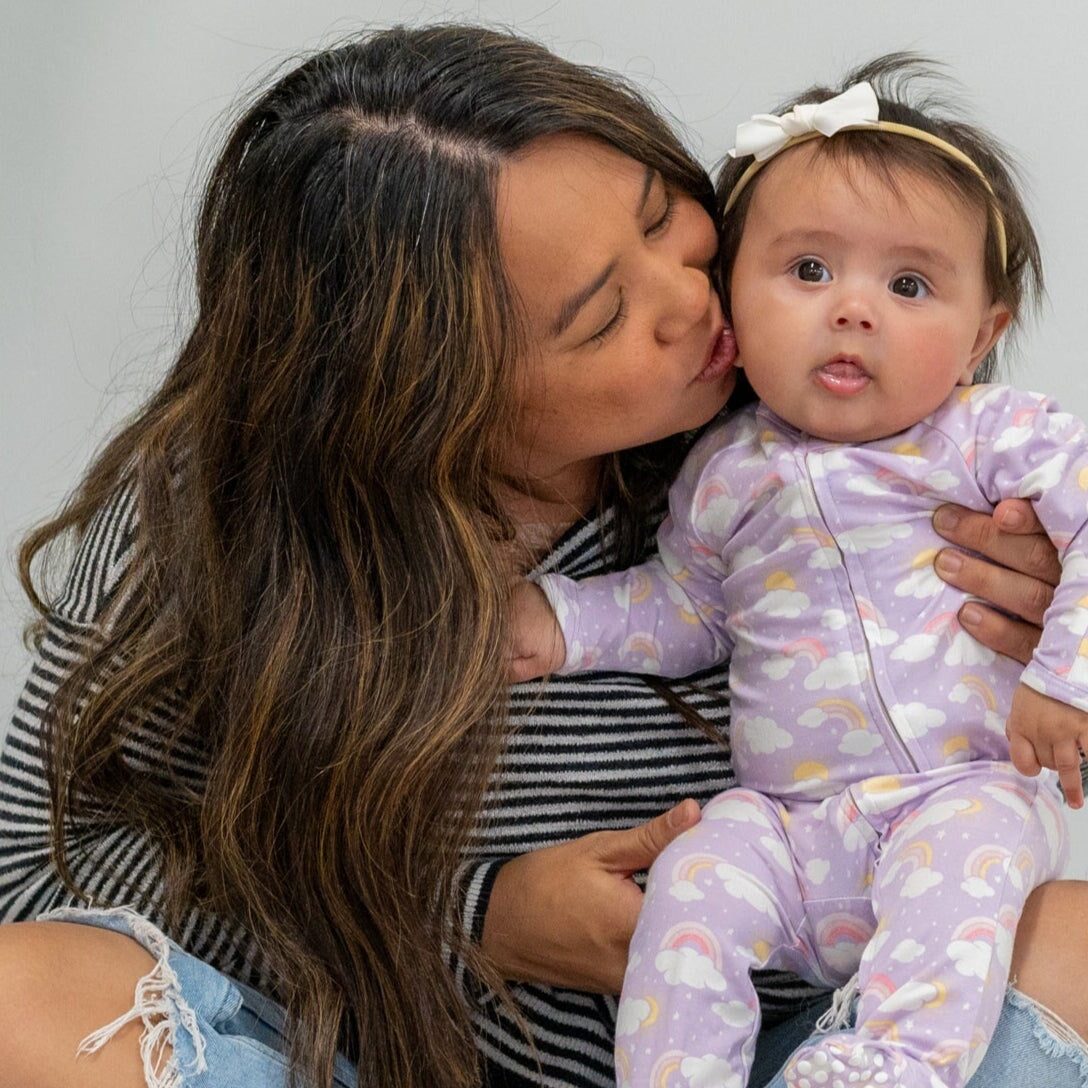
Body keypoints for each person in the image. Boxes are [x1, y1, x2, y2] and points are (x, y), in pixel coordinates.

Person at [0, 25, 1084, 1088]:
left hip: (788, 1032)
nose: (691, 301)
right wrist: (472, 919)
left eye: (668, 221)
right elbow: (40, 865)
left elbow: (972, 808)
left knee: (1067, 937)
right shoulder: (214, 516)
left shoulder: (835, 417)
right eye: (603, 313)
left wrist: (1044, 645)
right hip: (366, 1049)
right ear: (429, 398)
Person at [511, 59, 1088, 1088]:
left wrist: (1059, 675)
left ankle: (892, 1063)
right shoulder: (723, 472)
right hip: (787, 823)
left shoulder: (988, 439)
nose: (850, 310)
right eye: (808, 271)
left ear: (979, 337)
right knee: (696, 870)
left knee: (966, 871)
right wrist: (555, 620)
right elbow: (683, 606)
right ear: (732, 296)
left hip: (954, 789)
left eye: (907, 285)